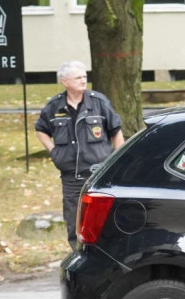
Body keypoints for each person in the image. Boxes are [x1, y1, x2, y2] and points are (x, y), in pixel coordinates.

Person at [35, 60, 124, 249]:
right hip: (71, 177)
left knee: (105, 221)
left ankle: (106, 255)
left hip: (99, 174)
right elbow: (41, 129)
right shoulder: (54, 106)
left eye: (84, 76)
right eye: (78, 78)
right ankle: (78, 257)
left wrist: (117, 161)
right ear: (65, 81)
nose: (83, 80)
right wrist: (54, 151)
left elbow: (116, 131)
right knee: (74, 222)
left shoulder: (98, 102)